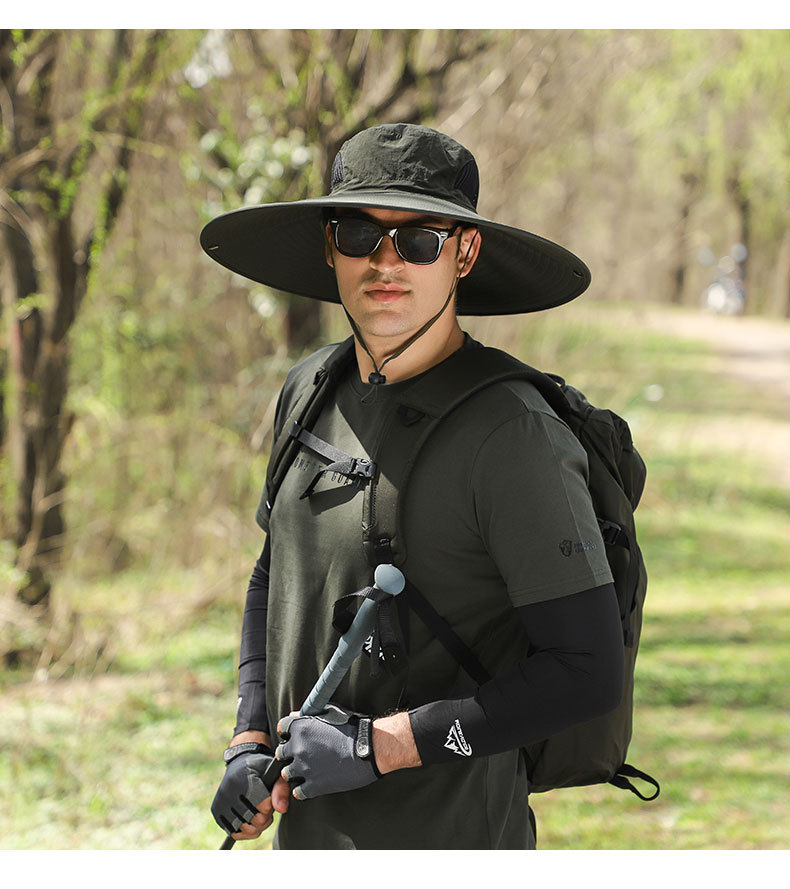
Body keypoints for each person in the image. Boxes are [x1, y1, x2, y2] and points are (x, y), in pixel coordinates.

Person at [203, 123, 624, 850]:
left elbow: (586, 672)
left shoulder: (512, 432)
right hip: (309, 840)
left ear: (465, 252)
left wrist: (378, 746)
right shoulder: (309, 388)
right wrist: (249, 735)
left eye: (420, 239)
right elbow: (277, 572)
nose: (385, 262)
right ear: (330, 246)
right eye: (360, 234)